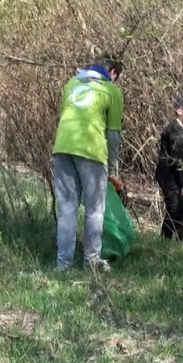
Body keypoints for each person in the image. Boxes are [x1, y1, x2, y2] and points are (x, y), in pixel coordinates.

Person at [52, 53, 124, 271]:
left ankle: (63, 263)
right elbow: (113, 135)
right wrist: (111, 167)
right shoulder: (111, 91)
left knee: (66, 208)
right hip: (92, 152)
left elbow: (63, 115)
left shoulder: (71, 84)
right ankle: (91, 261)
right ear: (112, 72)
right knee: (94, 209)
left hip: (63, 148)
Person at [154, 92, 183, 241]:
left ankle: (165, 241)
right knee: (175, 208)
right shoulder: (173, 130)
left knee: (176, 209)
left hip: (177, 176)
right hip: (168, 176)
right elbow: (176, 160)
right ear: (179, 111)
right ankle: (174, 241)